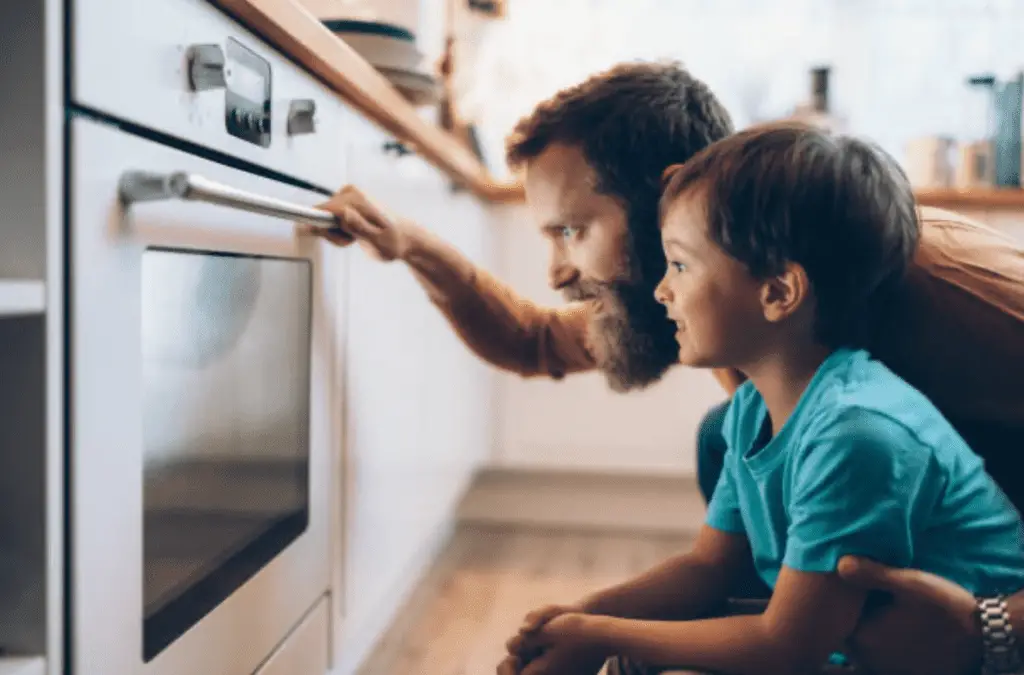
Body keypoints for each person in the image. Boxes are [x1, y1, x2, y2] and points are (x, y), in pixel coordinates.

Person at [309, 62, 1024, 674]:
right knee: (724, 435)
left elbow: (793, 641)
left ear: (665, 197)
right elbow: (529, 341)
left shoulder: (939, 290)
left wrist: (993, 628)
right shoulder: (719, 304)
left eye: (572, 230)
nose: (558, 273)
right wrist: (410, 245)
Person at [496, 122, 1024, 675]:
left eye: (679, 264)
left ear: (778, 292)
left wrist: (600, 633)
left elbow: (787, 648)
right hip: (851, 640)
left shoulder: (857, 434)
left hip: (967, 656)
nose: (661, 290)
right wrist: (582, 618)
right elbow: (709, 567)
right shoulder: (755, 409)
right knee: (635, 654)